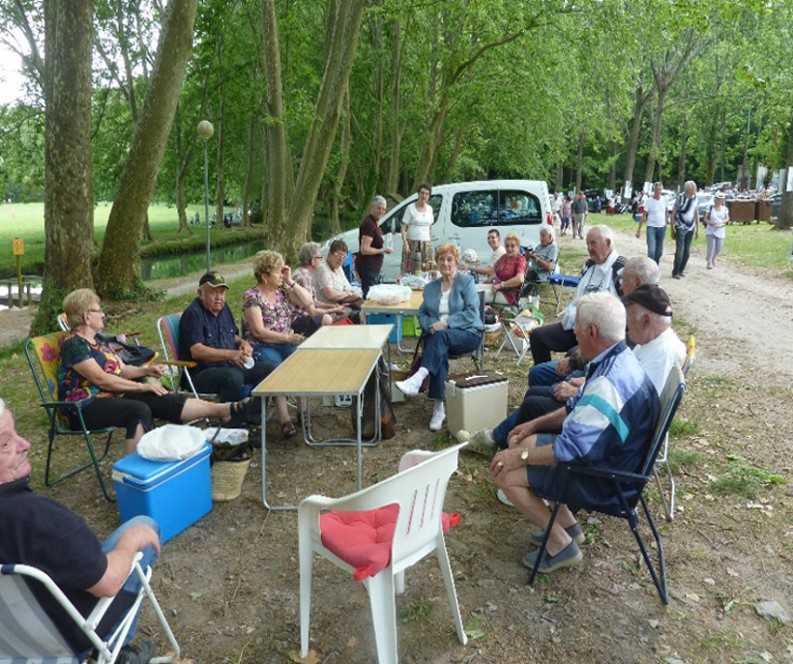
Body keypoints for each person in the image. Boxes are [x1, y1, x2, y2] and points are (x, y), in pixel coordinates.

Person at [489, 293, 660, 572]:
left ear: (592, 331)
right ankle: (568, 526)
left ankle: (561, 545)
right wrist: (534, 425)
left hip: (608, 478)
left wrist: (516, 457)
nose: (574, 334)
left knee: (503, 470)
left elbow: (568, 451)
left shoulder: (608, 381)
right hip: (614, 457)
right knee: (528, 441)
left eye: (577, 328)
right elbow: (579, 406)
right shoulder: (618, 357)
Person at [0, 399, 161, 662]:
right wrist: (130, 542)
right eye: (5, 444)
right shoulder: (34, 517)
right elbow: (108, 583)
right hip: (70, 633)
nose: (25, 444)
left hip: (14, 644)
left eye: (16, 433)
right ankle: (112, 651)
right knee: (141, 526)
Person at [472, 256, 659, 453]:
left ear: (637, 282)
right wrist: (580, 367)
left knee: (535, 400)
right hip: (594, 372)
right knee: (538, 375)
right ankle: (521, 429)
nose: (619, 281)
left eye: (624, 279)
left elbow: (614, 382)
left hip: (598, 412)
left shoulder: (641, 319)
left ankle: (506, 436)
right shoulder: (638, 311)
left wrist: (580, 384)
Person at [58, 289, 242, 453]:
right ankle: (133, 472)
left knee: (161, 396)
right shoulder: (74, 345)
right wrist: (142, 388)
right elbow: (102, 380)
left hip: (112, 396)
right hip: (83, 407)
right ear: (86, 317)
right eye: (98, 310)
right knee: (138, 409)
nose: (103, 314)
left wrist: (146, 371)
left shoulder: (98, 340)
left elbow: (121, 371)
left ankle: (222, 410)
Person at [395, 243, 483, 431]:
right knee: (438, 346)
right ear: (437, 262)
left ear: (456, 261)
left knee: (439, 339)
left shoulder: (465, 282)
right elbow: (423, 314)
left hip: (467, 333)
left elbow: (472, 313)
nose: (445, 263)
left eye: (449, 259)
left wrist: (446, 323)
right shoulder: (430, 288)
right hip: (439, 338)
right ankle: (439, 407)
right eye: (441, 259)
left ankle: (419, 378)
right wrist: (430, 326)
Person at [242, 250, 320, 437]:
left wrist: (290, 280)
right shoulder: (252, 296)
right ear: (264, 276)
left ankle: (302, 412)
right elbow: (258, 331)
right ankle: (284, 419)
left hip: (284, 342)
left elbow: (309, 303)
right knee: (277, 367)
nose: (281, 274)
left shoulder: (282, 292)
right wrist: (286, 338)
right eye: (278, 271)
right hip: (262, 345)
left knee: (302, 361)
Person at [529, 225, 623, 365]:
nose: (589, 248)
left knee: (572, 355)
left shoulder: (620, 269)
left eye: (593, 243)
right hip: (576, 326)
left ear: (608, 243)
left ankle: (565, 384)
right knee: (537, 336)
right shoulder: (589, 265)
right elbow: (578, 298)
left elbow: (624, 315)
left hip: (598, 335)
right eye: (587, 244)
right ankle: (545, 378)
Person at [179, 271, 274, 407]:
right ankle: (230, 417)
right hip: (200, 373)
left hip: (227, 366)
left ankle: (254, 413)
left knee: (269, 369)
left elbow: (231, 335)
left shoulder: (223, 309)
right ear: (200, 294)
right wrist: (231, 354)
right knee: (234, 377)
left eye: (222, 292)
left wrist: (243, 342)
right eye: (213, 292)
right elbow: (197, 351)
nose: (219, 297)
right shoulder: (193, 314)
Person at [623, 285, 685, 394]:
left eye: (629, 317)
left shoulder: (662, 355)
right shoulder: (652, 340)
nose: (626, 324)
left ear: (646, 321)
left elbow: (640, 400)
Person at [293, 242, 347, 320]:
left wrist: (332, 306)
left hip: (306, 316)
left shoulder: (305, 273)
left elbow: (313, 301)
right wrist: (334, 309)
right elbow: (312, 311)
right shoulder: (303, 277)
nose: (321, 261)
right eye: (319, 258)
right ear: (312, 261)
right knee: (330, 318)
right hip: (302, 318)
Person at [355, 195, 394, 297]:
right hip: (368, 267)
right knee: (369, 298)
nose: (381, 211)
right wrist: (382, 250)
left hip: (373, 267)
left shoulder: (374, 223)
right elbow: (364, 249)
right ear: (372, 207)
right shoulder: (369, 224)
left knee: (373, 297)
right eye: (379, 208)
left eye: (383, 209)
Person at [314, 239, 364, 309]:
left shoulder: (338, 268)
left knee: (363, 301)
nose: (341, 260)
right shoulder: (323, 268)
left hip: (340, 304)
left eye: (344, 257)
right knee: (359, 306)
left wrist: (350, 294)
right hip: (326, 308)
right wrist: (347, 294)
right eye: (338, 255)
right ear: (330, 254)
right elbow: (330, 294)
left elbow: (348, 288)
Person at [400, 183, 435, 274]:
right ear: (418, 194)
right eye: (422, 193)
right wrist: (406, 244)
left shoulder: (430, 209)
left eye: (427, 194)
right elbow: (403, 228)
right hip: (412, 244)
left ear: (429, 196)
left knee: (426, 269)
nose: (424, 196)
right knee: (410, 269)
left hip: (426, 244)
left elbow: (430, 228)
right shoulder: (410, 208)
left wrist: (430, 242)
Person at [484, 233, 526, 305]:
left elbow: (520, 279)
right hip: (496, 288)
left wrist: (501, 285)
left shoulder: (520, 259)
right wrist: (486, 281)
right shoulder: (504, 257)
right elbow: (493, 271)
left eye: (512, 246)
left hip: (508, 294)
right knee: (473, 289)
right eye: (507, 246)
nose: (509, 248)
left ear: (518, 247)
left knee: (477, 296)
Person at [635, 182, 668, 264]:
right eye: (657, 190)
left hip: (662, 228)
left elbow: (666, 212)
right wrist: (639, 230)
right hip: (651, 228)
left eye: (660, 190)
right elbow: (644, 216)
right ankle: (650, 267)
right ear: (654, 190)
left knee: (659, 252)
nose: (658, 192)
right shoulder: (649, 201)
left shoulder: (664, 199)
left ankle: (655, 266)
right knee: (651, 251)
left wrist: (666, 223)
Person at [522, 227, 559, 298]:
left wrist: (536, 258)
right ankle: (520, 294)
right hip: (532, 270)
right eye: (540, 236)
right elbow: (527, 259)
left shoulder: (553, 247)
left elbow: (549, 267)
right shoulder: (540, 246)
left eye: (543, 236)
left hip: (542, 274)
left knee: (522, 275)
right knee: (518, 270)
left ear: (550, 236)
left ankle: (522, 295)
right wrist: (527, 254)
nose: (541, 238)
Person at [672, 180, 698, 279]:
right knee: (680, 251)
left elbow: (695, 212)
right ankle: (675, 272)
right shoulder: (681, 198)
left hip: (691, 227)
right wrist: (673, 227)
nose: (695, 190)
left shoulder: (695, 198)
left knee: (687, 253)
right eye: (694, 188)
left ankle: (681, 270)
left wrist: (697, 228)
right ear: (689, 189)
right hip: (680, 227)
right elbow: (673, 213)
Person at [704, 191, 729, 270]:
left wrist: (723, 222)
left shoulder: (725, 209)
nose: (720, 201)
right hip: (711, 230)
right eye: (718, 199)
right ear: (715, 199)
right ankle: (709, 262)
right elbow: (705, 218)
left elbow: (727, 218)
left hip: (720, 229)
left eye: (722, 199)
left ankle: (713, 258)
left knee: (719, 248)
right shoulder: (710, 207)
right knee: (711, 247)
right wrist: (710, 222)